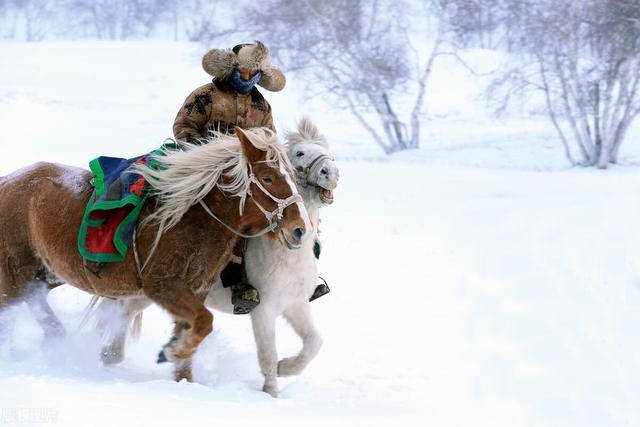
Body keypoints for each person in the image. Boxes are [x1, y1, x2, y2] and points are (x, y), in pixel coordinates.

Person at [172, 41, 286, 315]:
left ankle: (290, 268)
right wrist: (207, 154)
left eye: (253, 74)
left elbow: (269, 140)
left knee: (278, 204)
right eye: (242, 72)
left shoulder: (261, 105)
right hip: (202, 167)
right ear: (232, 68)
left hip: (246, 175)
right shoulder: (206, 95)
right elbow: (183, 126)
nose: (247, 78)